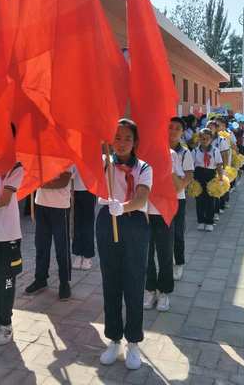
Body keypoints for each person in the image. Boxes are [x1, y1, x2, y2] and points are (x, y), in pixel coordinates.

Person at [97, 119, 152, 371]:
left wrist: (124, 207)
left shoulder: (143, 167)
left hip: (134, 224)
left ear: (135, 142)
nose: (121, 143)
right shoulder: (103, 164)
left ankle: (133, 342)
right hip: (107, 222)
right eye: (116, 138)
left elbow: (141, 197)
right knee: (111, 281)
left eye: (127, 138)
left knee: (133, 282)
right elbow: (91, 184)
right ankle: (114, 338)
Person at [25, 168, 73, 301]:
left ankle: (64, 283)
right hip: (41, 204)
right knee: (41, 246)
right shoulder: (39, 153)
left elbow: (63, 182)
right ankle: (40, 279)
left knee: (62, 248)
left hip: (60, 207)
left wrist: (39, 183)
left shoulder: (67, 156)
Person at [0, 160, 24, 346]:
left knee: (6, 281)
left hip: (7, 235)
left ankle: (5, 323)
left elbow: (4, 199)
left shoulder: (16, 168)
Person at [144, 149, 180, 312]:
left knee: (165, 254)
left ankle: (164, 291)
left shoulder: (170, 154)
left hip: (163, 212)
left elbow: (178, 185)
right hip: (142, 213)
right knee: (146, 255)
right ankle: (150, 289)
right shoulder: (139, 152)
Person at [168, 117, 195, 281]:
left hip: (178, 198)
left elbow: (189, 174)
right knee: (162, 233)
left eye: (177, 128)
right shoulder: (158, 149)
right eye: (170, 127)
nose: (173, 131)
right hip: (160, 198)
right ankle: (166, 260)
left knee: (177, 232)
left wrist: (179, 187)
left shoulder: (185, 152)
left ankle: (179, 263)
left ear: (182, 132)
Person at [192, 128, 224, 232]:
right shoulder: (195, 151)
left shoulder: (215, 151)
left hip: (210, 175)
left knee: (210, 199)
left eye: (207, 138)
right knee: (199, 199)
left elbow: (219, 165)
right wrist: (191, 180)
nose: (204, 140)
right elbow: (191, 166)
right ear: (199, 139)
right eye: (202, 138)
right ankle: (201, 221)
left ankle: (209, 221)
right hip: (198, 175)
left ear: (211, 139)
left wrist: (220, 178)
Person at [71, 166, 96, 271]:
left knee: (87, 225)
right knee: (76, 224)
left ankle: (87, 256)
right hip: (75, 191)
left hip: (89, 191)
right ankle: (77, 254)